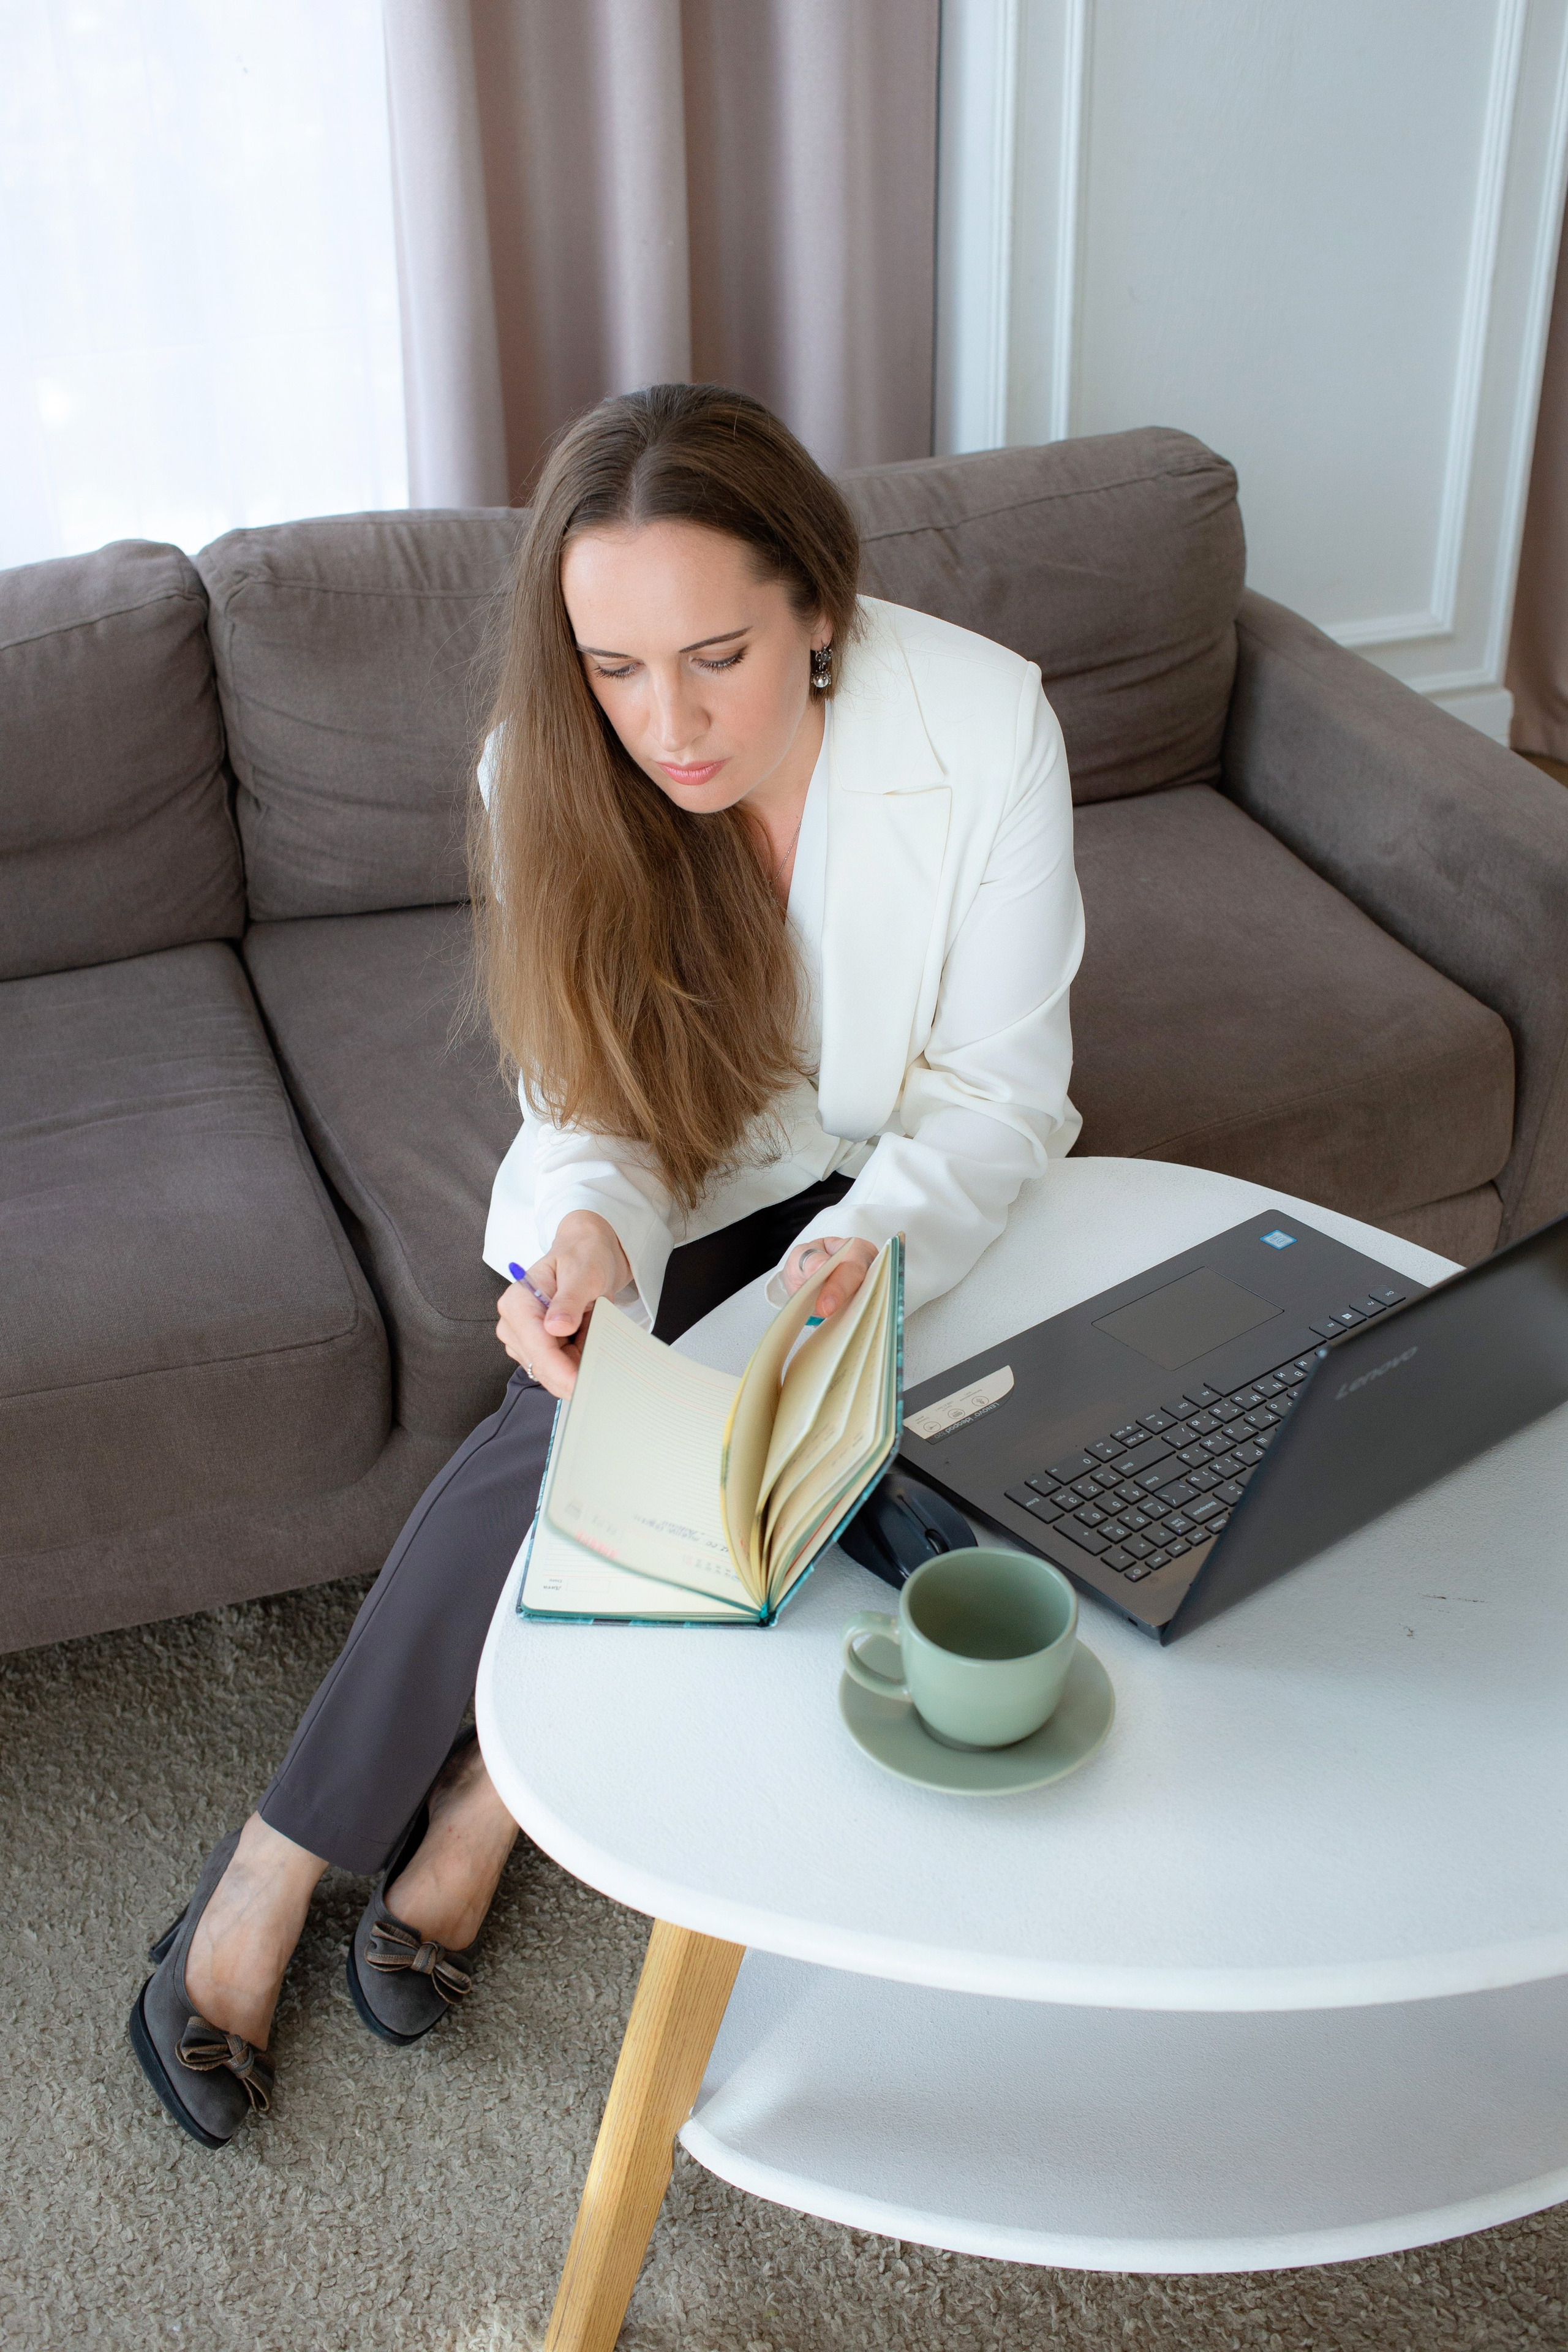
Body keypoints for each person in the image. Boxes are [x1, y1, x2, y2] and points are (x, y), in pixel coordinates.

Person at [128, 382, 1084, 2147]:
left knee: (734, 1450)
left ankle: (431, 1814)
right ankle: (321, 1843)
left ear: (820, 604)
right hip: (696, 1170)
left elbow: (1000, 1092)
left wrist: (852, 1257)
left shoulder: (985, 723)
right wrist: (587, 1240)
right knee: (589, 1410)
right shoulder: (544, 772)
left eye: (718, 656)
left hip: (910, 1170)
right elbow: (591, 1105)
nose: (668, 725)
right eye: (614, 668)